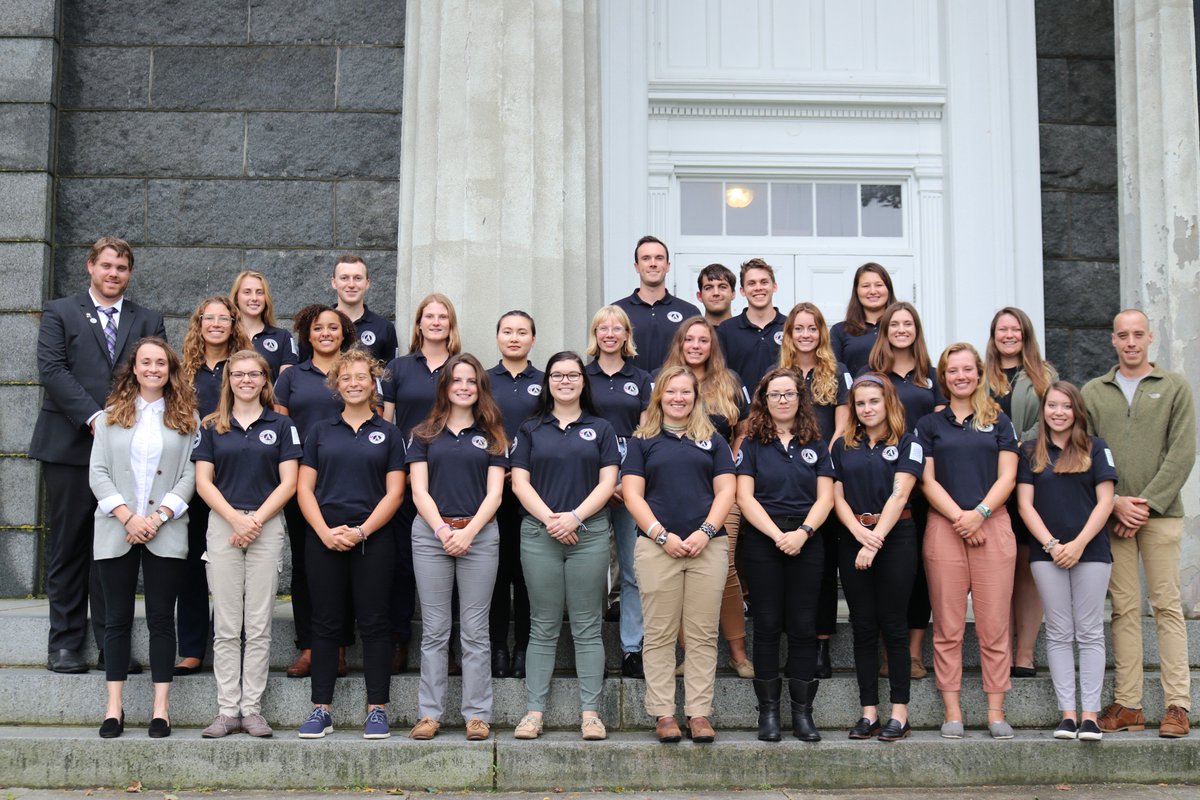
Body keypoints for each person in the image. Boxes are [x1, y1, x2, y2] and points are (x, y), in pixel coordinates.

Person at [32, 236, 165, 675]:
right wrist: (94, 418)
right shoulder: (60, 312)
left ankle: (114, 644)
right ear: (90, 267)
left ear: (129, 273)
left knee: (113, 550)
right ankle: (66, 644)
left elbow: (153, 374)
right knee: (70, 545)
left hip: (126, 453)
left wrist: (121, 423)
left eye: (121, 268)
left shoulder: (147, 319)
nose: (113, 274)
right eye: (106, 266)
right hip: (71, 447)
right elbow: (52, 370)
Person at [1082, 309, 1195, 738]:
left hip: (1161, 515)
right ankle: (1129, 704)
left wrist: (1143, 506)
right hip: (1112, 517)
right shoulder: (1094, 392)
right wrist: (1115, 504)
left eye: (1138, 335)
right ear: (1113, 340)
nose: (1130, 342)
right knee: (1124, 609)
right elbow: (1085, 453)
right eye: (1123, 335)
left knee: (1166, 606)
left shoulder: (1174, 388)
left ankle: (1177, 705)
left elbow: (1182, 453)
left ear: (1150, 338)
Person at [89, 337, 197, 738]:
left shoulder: (187, 418)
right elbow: (97, 472)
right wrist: (127, 516)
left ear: (170, 371)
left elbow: (190, 474)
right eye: (145, 362)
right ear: (133, 368)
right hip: (116, 528)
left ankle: (160, 709)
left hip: (165, 529)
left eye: (161, 363)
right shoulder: (109, 416)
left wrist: (158, 515)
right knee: (116, 620)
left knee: (160, 620)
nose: (153, 369)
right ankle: (113, 709)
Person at [295, 348, 406, 740]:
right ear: (336, 385)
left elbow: (395, 493)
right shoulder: (319, 432)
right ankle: (320, 709)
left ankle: (377, 710)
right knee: (325, 623)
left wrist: (361, 532)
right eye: (347, 378)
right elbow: (304, 489)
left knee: (375, 623)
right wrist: (326, 531)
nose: (355, 383)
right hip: (324, 537)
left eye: (362, 376)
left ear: (373, 382)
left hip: (372, 539)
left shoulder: (389, 433)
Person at [510, 351, 620, 741]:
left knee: (588, 626)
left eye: (573, 375)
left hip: (587, 534)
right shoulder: (530, 429)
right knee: (542, 626)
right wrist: (552, 520)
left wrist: (574, 517)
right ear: (548, 382)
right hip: (540, 536)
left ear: (583, 382)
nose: (566, 381)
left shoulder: (601, 428)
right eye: (557, 375)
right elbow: (519, 483)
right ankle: (534, 713)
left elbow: (609, 483)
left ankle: (590, 714)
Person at [623, 365, 736, 744]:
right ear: (659, 397)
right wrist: (661, 535)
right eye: (671, 392)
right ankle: (664, 713)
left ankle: (699, 713)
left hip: (708, 546)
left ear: (695, 396)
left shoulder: (714, 440)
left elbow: (726, 492)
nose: (678, 398)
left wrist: (705, 532)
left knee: (703, 634)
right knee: (659, 633)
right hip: (657, 548)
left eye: (685, 392)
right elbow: (632, 495)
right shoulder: (642, 440)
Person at [194, 349, 301, 738]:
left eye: (253, 374)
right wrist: (235, 519)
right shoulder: (211, 426)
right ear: (229, 380)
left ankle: (251, 709)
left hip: (266, 526)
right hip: (223, 525)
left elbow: (289, 482)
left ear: (264, 379)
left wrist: (254, 520)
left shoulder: (281, 425)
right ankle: (226, 711)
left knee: (257, 625)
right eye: (238, 374)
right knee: (226, 625)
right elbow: (203, 481)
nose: (245, 380)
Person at [916, 342, 1019, 740]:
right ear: (944, 378)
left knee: (994, 626)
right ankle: (953, 711)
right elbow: (926, 479)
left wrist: (980, 514)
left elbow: (1008, 477)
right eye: (952, 371)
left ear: (979, 373)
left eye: (967, 369)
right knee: (948, 627)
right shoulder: (929, 425)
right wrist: (960, 517)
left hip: (992, 524)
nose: (961, 376)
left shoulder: (999, 420)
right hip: (946, 527)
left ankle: (996, 711)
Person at [407, 354, 508, 742]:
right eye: (456, 380)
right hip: (432, 536)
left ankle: (477, 715)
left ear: (479, 387)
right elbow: (419, 490)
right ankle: (429, 714)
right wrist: (442, 530)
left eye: (471, 381)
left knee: (475, 630)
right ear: (445, 386)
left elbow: (495, 493)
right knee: (434, 630)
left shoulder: (494, 434)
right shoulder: (423, 433)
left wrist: (467, 533)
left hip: (479, 536)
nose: (464, 387)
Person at [735, 367, 834, 742]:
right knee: (767, 626)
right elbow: (744, 497)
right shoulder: (753, 445)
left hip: (808, 541)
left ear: (799, 398)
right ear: (764, 399)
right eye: (774, 394)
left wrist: (803, 532)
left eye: (789, 394)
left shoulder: (816, 443)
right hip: (765, 540)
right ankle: (769, 715)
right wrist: (779, 535)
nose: (782, 400)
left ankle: (803, 715)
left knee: (804, 627)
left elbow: (826, 497)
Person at [1017, 381, 1117, 742]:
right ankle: (1068, 715)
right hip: (1047, 554)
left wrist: (1077, 544)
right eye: (1052, 406)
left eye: (1066, 406)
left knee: (1089, 631)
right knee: (1059, 632)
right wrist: (1052, 544)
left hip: (1091, 552)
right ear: (1043, 411)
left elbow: (1106, 501)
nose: (1058, 412)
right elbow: (1025, 505)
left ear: (1077, 411)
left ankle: (1090, 716)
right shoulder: (1030, 451)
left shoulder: (1097, 448)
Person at [831, 374, 924, 742]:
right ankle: (869, 712)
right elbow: (836, 495)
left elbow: (900, 495)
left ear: (888, 403)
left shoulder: (908, 442)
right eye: (860, 403)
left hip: (896, 537)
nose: (867, 409)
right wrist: (858, 534)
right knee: (863, 626)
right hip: (853, 535)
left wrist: (874, 542)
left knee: (894, 625)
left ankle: (899, 714)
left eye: (874, 401)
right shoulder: (843, 446)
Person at [658, 317, 752, 677]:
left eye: (703, 340)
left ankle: (738, 652)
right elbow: (648, 427)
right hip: (670, 491)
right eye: (689, 340)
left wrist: (731, 465)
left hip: (720, 490)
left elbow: (743, 429)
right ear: (680, 344)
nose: (696, 346)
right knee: (679, 569)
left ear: (712, 346)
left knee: (724, 568)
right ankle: (690, 654)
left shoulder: (730, 382)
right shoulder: (662, 379)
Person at [274, 304, 358, 679]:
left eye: (333, 327)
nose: (326, 333)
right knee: (307, 568)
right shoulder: (292, 377)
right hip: (302, 484)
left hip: (350, 483)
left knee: (348, 567)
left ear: (344, 333)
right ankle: (309, 647)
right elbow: (280, 427)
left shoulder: (356, 373)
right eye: (318, 328)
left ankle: (338, 647)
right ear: (307, 335)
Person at [382, 293, 462, 673]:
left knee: (453, 559)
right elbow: (386, 420)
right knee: (400, 563)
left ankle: (448, 646)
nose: (435, 322)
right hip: (405, 473)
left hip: (449, 476)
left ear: (451, 324)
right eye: (428, 316)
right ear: (418, 324)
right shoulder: (398, 368)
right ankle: (400, 639)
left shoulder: (461, 368)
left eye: (442, 316)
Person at [864, 300, 945, 677]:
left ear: (916, 329)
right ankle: (885, 649)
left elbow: (942, 428)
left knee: (917, 574)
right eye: (894, 324)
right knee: (881, 572)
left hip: (922, 484)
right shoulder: (872, 375)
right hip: (878, 482)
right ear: (884, 331)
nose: (901, 329)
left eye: (907, 323)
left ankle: (912, 652)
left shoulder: (931, 376)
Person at [174, 296, 251, 676]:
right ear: (199, 322)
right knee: (190, 562)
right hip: (191, 476)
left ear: (234, 324)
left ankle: (234, 642)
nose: (216, 324)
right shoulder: (183, 370)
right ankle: (191, 646)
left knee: (234, 565)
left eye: (225, 318)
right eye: (209, 318)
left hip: (234, 478)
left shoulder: (241, 368)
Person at [778, 301, 852, 678]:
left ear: (822, 333)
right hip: (788, 476)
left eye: (812, 328)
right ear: (788, 334)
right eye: (798, 328)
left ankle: (820, 645)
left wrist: (821, 458)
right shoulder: (780, 374)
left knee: (821, 567)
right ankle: (794, 643)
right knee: (790, 567)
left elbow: (842, 427)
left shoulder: (837, 373)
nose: (805, 334)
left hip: (823, 476)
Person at [983, 306, 1056, 680]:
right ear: (993, 336)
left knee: (1028, 567)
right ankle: (1001, 650)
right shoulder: (980, 376)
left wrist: (1014, 446)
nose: (1009, 335)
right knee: (999, 568)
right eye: (1002, 330)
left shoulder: (1044, 375)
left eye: (1015, 329)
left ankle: (1024, 653)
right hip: (990, 482)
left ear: (1025, 334)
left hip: (1031, 477)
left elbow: (1052, 423)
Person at [584, 305, 652, 678]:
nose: (610, 333)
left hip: (630, 480)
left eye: (617, 328)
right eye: (602, 328)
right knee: (591, 568)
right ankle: (589, 643)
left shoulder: (640, 379)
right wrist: (602, 482)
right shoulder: (581, 374)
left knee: (631, 568)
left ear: (627, 335)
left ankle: (631, 648)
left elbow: (645, 432)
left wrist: (627, 479)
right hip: (589, 477)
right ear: (595, 335)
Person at [487, 311, 542, 680]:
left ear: (532, 340)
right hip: (491, 489)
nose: (514, 338)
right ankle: (497, 649)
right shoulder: (484, 380)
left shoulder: (546, 381)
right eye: (507, 331)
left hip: (534, 490)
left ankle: (524, 649)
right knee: (495, 574)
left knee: (525, 576)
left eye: (522, 332)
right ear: (498, 337)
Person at [612, 235, 701, 372]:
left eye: (659, 258)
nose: (653, 263)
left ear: (667, 266)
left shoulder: (689, 312)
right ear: (636, 266)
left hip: (675, 391)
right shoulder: (617, 311)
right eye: (646, 258)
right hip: (630, 391)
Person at [309, 254, 399, 364]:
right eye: (344, 278)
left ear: (367, 283)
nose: (351, 284)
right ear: (334, 282)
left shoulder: (384, 328)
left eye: (357, 278)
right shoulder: (315, 325)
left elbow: (390, 375)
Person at [717, 258, 787, 395]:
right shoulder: (726, 330)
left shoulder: (790, 326)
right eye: (751, 283)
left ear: (774, 286)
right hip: (740, 414)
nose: (758, 288)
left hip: (782, 410)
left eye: (764, 282)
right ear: (742, 290)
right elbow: (719, 377)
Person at [830, 262, 896, 377]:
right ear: (856, 291)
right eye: (866, 286)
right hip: (855, 393)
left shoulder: (901, 329)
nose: (873, 291)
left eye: (879, 285)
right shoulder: (839, 331)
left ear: (888, 289)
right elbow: (833, 374)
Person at [229, 270, 298, 380]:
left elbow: (286, 384)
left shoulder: (282, 337)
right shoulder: (226, 335)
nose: (254, 298)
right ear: (237, 298)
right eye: (247, 292)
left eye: (260, 292)